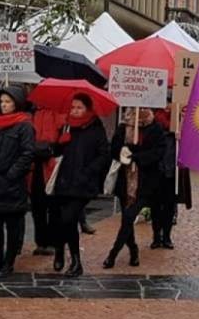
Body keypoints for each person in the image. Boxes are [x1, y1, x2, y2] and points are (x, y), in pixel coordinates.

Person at [0, 87, 35, 279]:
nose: (4, 105)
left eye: (8, 102)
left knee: (12, 227)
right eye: (2, 102)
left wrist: (12, 174)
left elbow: (27, 154)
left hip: (11, 185)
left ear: (16, 103)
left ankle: (8, 263)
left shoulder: (25, 126)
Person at [51, 94, 110, 277]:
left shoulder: (95, 128)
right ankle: (60, 250)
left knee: (69, 218)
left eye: (79, 107)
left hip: (83, 183)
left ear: (87, 109)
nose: (75, 111)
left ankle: (76, 261)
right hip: (63, 181)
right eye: (73, 107)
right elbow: (56, 152)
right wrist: (59, 142)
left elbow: (104, 155)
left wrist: (89, 172)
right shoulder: (66, 126)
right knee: (59, 220)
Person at [103, 107, 165, 268]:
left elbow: (158, 152)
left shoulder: (155, 127)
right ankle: (133, 249)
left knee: (129, 217)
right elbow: (114, 149)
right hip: (125, 181)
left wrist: (137, 156)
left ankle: (113, 253)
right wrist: (123, 153)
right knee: (126, 219)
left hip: (145, 182)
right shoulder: (124, 126)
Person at [29, 105, 65, 256]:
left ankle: (53, 241)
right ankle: (41, 241)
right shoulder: (33, 114)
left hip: (52, 164)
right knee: (37, 206)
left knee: (54, 206)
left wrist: (52, 148)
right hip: (35, 165)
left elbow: (64, 142)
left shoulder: (62, 115)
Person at [152, 108, 177, 250]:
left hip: (172, 170)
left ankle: (166, 236)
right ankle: (156, 236)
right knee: (156, 205)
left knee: (169, 206)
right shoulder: (154, 121)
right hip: (156, 170)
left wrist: (181, 136)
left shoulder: (178, 120)